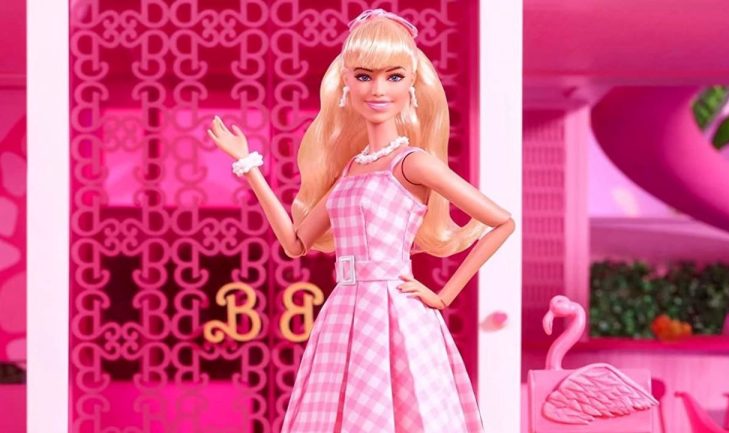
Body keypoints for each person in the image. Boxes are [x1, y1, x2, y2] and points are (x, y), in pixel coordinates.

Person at [207, 8, 515, 433]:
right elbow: (295, 243)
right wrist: (248, 166)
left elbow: (501, 222)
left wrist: (445, 296)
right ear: (346, 84)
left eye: (394, 76)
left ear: (412, 85)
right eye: (365, 76)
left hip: (395, 312)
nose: (378, 89)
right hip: (344, 312)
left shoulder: (413, 162)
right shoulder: (352, 168)